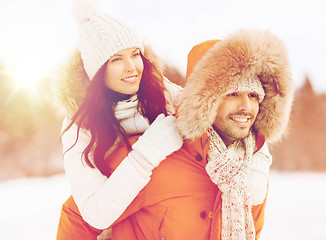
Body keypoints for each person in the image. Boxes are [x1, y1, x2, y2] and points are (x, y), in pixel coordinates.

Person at [57, 29, 294, 240]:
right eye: (232, 94)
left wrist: (260, 150)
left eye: (254, 96)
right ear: (207, 100)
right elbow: (79, 217)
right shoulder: (155, 151)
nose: (246, 107)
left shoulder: (248, 171)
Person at [52, 0, 183, 233]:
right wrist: (148, 151)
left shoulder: (163, 92)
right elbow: (96, 214)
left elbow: (216, 114)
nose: (132, 67)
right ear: (98, 70)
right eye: (116, 59)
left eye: (135, 54)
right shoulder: (78, 126)